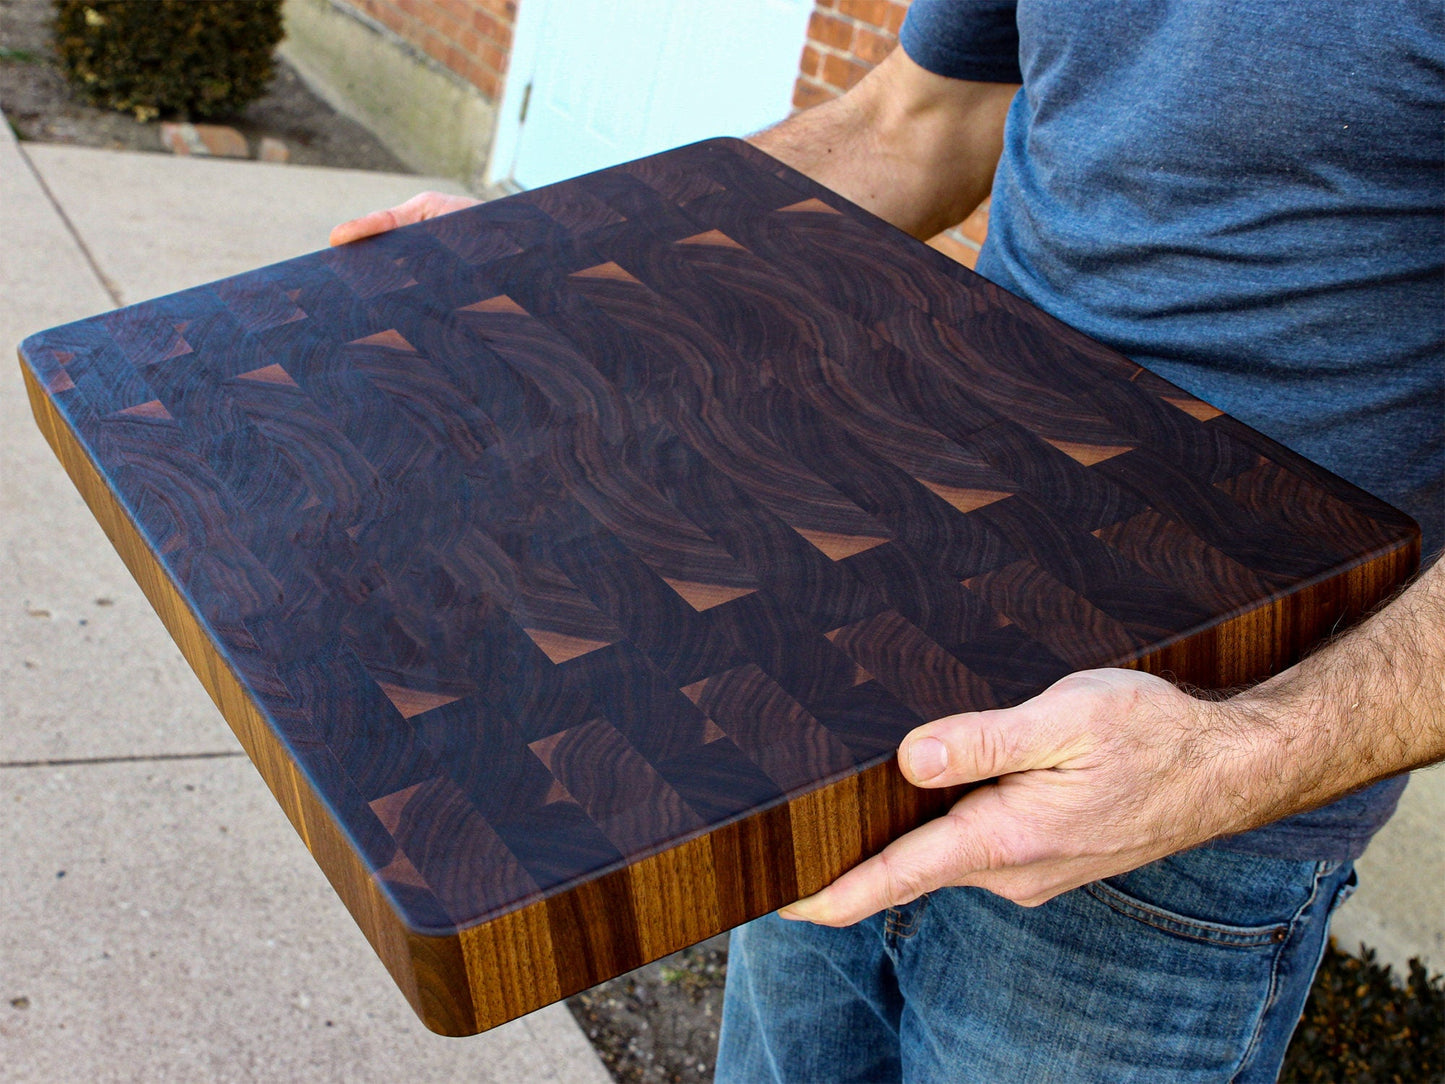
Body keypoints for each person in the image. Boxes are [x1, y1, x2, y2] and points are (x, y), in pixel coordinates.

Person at [334, 2, 1443, 1078]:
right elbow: (913, 124)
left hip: (1176, 798)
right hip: (873, 672)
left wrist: (1228, 760)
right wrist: (549, 255)